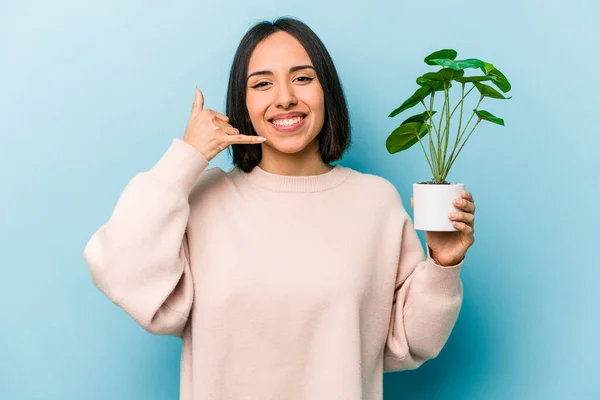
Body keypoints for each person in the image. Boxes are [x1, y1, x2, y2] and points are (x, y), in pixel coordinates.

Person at [83, 16, 476, 400]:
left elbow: (407, 343)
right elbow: (119, 268)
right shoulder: (202, 197)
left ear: (328, 93)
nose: (285, 97)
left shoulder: (375, 202)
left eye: (303, 78)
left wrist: (443, 266)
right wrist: (186, 158)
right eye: (262, 83)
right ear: (243, 102)